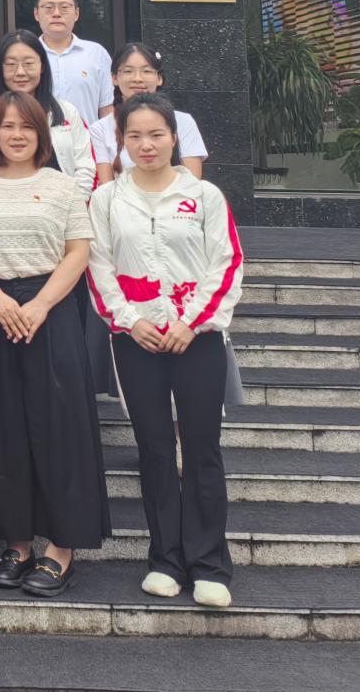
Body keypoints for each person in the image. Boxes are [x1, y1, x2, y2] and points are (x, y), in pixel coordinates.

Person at [87, 92, 243, 609]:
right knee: (154, 449)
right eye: (134, 136)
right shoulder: (107, 200)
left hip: (198, 339)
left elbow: (226, 264)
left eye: (156, 134)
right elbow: (99, 268)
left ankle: (209, 563)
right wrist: (130, 322)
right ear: (121, 142)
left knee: (201, 448)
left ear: (174, 137)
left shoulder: (204, 195)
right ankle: (166, 559)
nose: (146, 145)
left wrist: (190, 322)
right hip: (137, 340)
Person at [0, 90, 108, 599]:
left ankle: (61, 549)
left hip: (52, 309)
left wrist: (41, 305)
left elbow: (78, 252)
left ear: (41, 134)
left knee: (60, 425)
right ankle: (18, 544)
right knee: (2, 426)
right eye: (6, 126)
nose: (16, 135)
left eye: (26, 126)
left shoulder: (62, 186)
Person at [0, 30, 95, 193]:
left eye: (29, 63)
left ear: (42, 66)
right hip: (7, 203)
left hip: (64, 203)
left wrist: (73, 201)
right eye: (11, 64)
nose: (20, 72)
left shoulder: (67, 112)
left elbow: (85, 165)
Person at [92, 43, 208, 183]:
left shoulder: (183, 122)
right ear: (115, 78)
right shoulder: (100, 129)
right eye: (128, 71)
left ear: (159, 78)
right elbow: (106, 186)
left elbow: (192, 182)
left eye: (146, 71)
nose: (137, 78)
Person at [33, 0, 113, 124]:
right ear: (36, 14)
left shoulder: (96, 54)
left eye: (64, 7)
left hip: (88, 139)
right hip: (40, 138)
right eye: (49, 7)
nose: (56, 13)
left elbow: (107, 111)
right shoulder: (27, 54)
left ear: (76, 13)